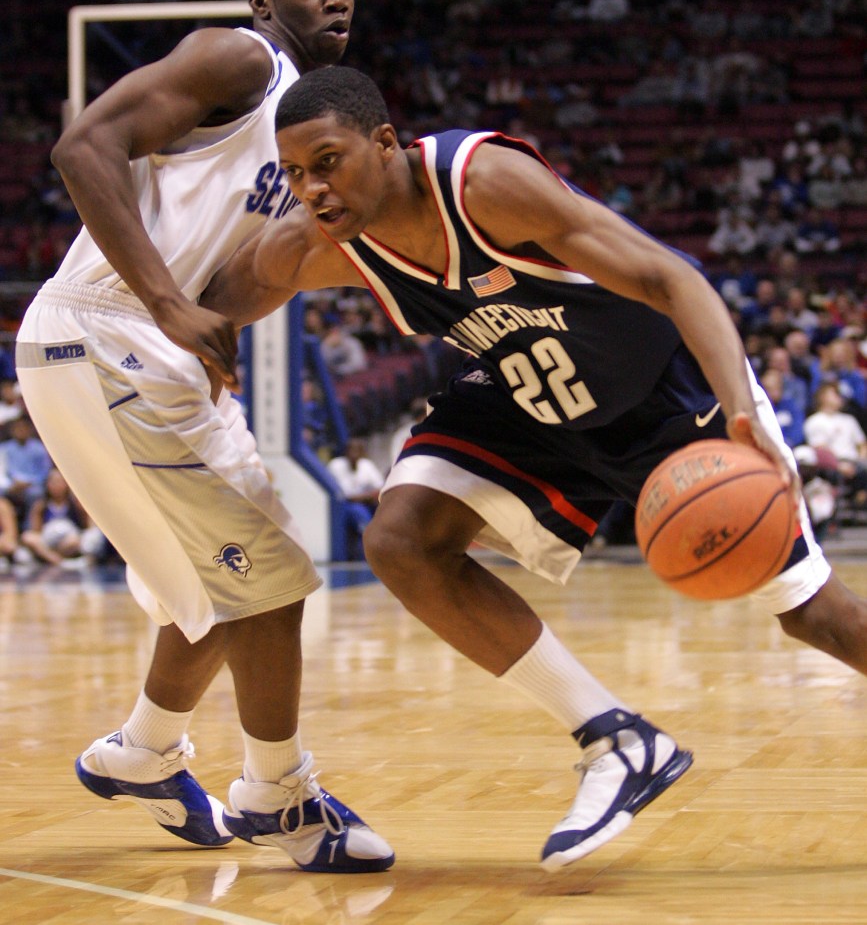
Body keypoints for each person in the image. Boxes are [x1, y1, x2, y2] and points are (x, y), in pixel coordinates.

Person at [200, 66, 867, 872]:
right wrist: (192, 329)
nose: (313, 188)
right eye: (297, 174)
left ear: (384, 144)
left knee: (814, 615)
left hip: (665, 395)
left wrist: (744, 412)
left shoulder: (482, 184)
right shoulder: (325, 241)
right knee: (400, 540)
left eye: (328, 161)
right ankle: (617, 739)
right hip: (531, 401)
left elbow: (669, 277)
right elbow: (226, 288)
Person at [14, 0, 393, 873]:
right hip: (107, 328)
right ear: (265, 2)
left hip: (157, 352)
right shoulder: (238, 56)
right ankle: (278, 794)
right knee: (268, 577)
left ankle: (143, 752)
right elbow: (84, 145)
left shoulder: (309, 126)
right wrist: (169, 303)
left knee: (221, 588)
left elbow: (253, 267)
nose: (336, 1)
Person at [18, 466, 106, 566]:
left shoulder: (74, 504)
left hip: (70, 540)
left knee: (83, 538)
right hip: (48, 541)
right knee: (28, 537)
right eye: (53, 482)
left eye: (59, 482)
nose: (56, 486)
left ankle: (55, 559)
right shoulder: (41, 506)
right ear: (47, 484)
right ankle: (56, 560)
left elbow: (86, 526)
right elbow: (36, 531)